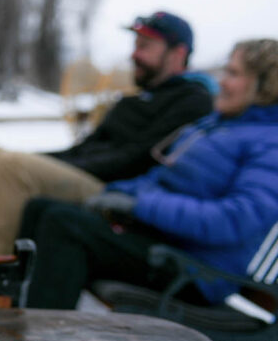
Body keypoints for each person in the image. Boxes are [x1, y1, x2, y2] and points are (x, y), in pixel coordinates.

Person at [20, 39, 278, 309]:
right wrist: (119, 193)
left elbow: (232, 220)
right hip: (163, 244)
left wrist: (140, 206)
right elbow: (163, 177)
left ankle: (39, 340)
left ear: (264, 85)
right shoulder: (216, 126)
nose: (223, 81)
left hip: (195, 272)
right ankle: (12, 311)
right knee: (41, 208)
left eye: (234, 74)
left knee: (66, 225)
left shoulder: (270, 143)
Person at [0, 12, 214, 257]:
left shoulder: (193, 101)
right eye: (135, 45)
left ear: (178, 54)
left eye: (145, 47)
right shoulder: (137, 99)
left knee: (14, 168)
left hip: (115, 191)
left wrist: (45, 165)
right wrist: (43, 160)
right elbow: (85, 148)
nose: (134, 54)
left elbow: (135, 159)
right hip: (88, 173)